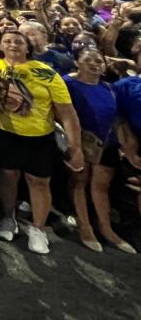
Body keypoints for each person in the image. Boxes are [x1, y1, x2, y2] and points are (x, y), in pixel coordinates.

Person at [0, 30, 84, 255]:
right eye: (8, 41)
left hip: (39, 136)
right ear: (0, 45)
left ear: (27, 47)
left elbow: (67, 113)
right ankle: (8, 217)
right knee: (7, 176)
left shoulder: (46, 73)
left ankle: (38, 228)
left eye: (18, 42)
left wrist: (76, 146)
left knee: (38, 182)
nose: (13, 45)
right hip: (3, 132)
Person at [63, 48, 135, 253]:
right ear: (77, 62)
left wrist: (126, 146)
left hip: (107, 143)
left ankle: (106, 228)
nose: (94, 64)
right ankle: (85, 227)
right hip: (80, 141)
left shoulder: (109, 88)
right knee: (79, 182)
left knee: (101, 185)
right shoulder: (67, 83)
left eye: (98, 61)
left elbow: (118, 119)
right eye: (87, 60)